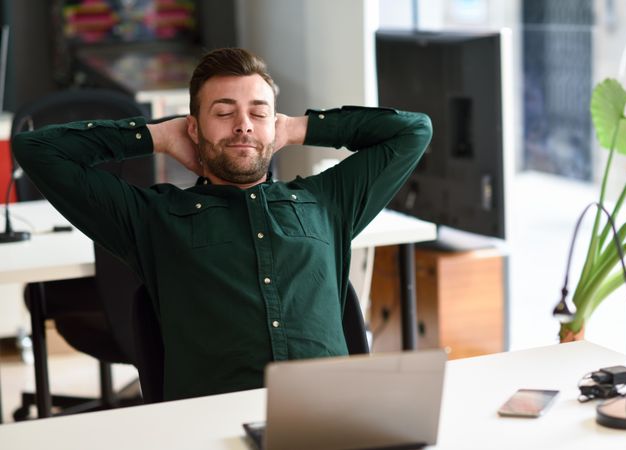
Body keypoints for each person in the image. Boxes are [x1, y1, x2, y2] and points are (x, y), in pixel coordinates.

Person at [13, 48, 432, 401]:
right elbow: (39, 150)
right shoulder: (152, 216)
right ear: (193, 128)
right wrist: (157, 136)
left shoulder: (326, 200)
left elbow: (413, 131)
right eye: (223, 112)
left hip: (330, 413)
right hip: (215, 422)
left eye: (257, 112)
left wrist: (296, 127)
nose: (243, 124)